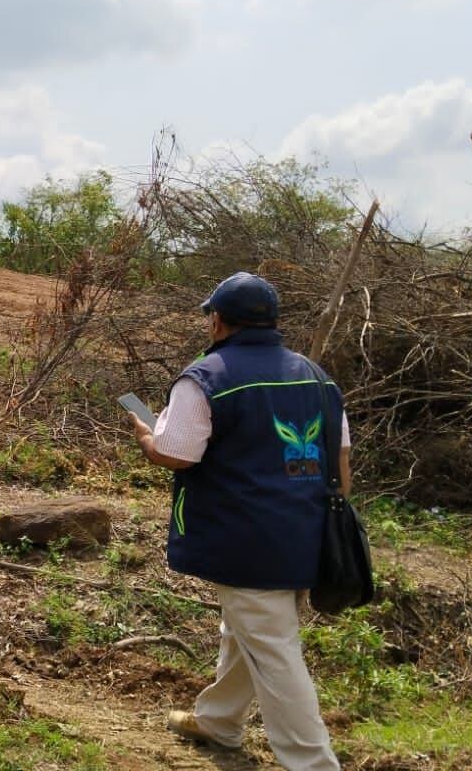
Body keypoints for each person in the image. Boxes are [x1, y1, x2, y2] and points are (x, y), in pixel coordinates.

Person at [128, 272, 350, 771]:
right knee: (248, 627)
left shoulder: (206, 376)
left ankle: (314, 763)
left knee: (273, 648)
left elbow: (176, 455)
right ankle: (219, 721)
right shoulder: (317, 376)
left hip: (246, 539)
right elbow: (341, 465)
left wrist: (146, 436)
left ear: (217, 321)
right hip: (309, 536)